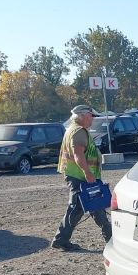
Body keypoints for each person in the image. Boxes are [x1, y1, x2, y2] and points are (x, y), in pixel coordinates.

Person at [51, 105, 112, 251]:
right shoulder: (79, 131)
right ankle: (111, 240)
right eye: (91, 116)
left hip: (78, 175)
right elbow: (78, 155)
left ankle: (61, 239)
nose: (93, 119)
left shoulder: (73, 129)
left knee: (78, 208)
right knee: (95, 206)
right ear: (83, 116)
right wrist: (88, 174)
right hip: (82, 177)